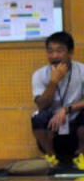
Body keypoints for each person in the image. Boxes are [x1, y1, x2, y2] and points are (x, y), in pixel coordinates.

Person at [31, 31, 84, 169]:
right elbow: (41, 105)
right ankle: (52, 157)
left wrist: (66, 109)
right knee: (38, 117)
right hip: (53, 129)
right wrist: (53, 82)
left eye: (59, 51)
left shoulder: (82, 71)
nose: (54, 56)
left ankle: (82, 155)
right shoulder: (39, 75)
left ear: (70, 53)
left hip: (76, 125)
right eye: (50, 51)